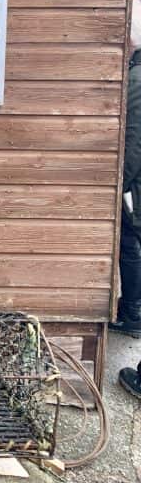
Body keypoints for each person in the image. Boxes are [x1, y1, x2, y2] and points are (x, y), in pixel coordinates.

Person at [112, 48, 141, 340]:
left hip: (136, 186)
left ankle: (133, 312)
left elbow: (134, 140)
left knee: (130, 244)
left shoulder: (137, 79)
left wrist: (119, 185)